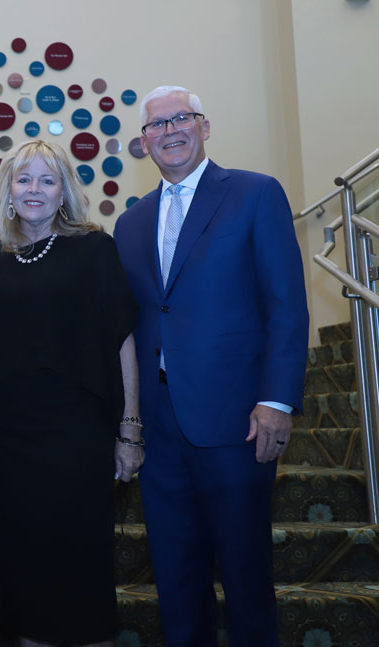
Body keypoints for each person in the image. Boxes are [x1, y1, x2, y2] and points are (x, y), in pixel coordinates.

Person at [113, 86, 309, 646]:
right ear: (144, 141)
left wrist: (277, 400)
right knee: (176, 577)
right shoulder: (130, 223)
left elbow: (286, 305)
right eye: (156, 125)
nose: (169, 131)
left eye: (181, 118)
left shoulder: (254, 194)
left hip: (237, 421)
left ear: (203, 126)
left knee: (246, 573)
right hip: (160, 427)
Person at [0, 140, 141, 647]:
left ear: (63, 190)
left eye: (47, 180)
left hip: (78, 432)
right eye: (24, 179)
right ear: (7, 189)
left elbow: (122, 339)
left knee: (81, 560)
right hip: (7, 438)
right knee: (21, 563)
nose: (35, 190)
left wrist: (130, 430)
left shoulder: (93, 247)